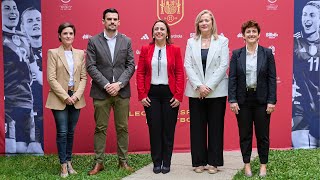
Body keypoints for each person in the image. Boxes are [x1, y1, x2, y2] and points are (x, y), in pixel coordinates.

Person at [86, 8, 135, 175]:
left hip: (122, 92)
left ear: (119, 22)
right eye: (109, 19)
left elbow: (130, 65)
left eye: (115, 19)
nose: (112, 21)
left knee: (123, 128)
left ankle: (123, 161)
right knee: (100, 128)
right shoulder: (93, 41)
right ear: (103, 21)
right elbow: (91, 66)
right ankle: (99, 162)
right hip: (101, 92)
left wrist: (119, 84)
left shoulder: (126, 41)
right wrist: (107, 85)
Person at [228, 20, 277, 177]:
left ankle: (263, 165)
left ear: (259, 35)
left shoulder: (267, 53)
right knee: (245, 134)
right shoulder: (237, 54)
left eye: (254, 31)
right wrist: (233, 100)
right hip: (243, 101)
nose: (251, 34)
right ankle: (247, 164)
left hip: (262, 100)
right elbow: (232, 79)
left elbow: (271, 79)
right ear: (243, 35)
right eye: (248, 32)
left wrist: (271, 101)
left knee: (263, 135)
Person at [136, 19, 184, 174]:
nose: (159, 31)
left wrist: (178, 96)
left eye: (162, 29)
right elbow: (141, 73)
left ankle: (167, 162)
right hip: (152, 95)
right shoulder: (145, 49)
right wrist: (142, 94)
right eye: (156, 29)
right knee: (155, 129)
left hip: (169, 94)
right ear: (152, 32)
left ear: (167, 32)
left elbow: (179, 73)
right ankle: (157, 162)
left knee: (168, 130)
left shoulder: (175, 49)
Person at [184, 10, 229, 174]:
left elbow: (224, 65)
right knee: (197, 128)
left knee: (216, 127)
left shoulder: (222, 41)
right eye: (201, 21)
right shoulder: (191, 42)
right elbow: (188, 65)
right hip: (196, 92)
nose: (204, 23)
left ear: (212, 23)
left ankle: (214, 162)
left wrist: (208, 86)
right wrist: (199, 86)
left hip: (216, 91)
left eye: (207, 20)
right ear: (197, 24)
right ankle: (199, 162)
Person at [45, 22, 87, 178]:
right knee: (62, 132)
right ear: (59, 36)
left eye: (71, 33)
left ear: (74, 36)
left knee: (70, 132)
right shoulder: (53, 53)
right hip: (59, 98)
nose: (68, 36)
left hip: (76, 98)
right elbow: (51, 78)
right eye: (65, 33)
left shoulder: (80, 53)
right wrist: (65, 96)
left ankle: (69, 162)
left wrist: (76, 96)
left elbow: (83, 78)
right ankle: (63, 165)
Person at [2, 0, 40, 154]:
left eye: (14, 8)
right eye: (7, 8)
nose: (12, 11)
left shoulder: (24, 38)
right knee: (10, 148)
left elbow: (34, 70)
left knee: (30, 148)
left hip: (26, 99)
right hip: (7, 102)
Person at [292, 1, 320, 148]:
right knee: (304, 156)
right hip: (301, 107)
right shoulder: (294, 41)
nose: (307, 19)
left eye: (312, 15)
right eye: (304, 14)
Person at [20, 7, 44, 153]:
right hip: (26, 109)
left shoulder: (53, 49)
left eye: (38, 20)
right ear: (22, 27)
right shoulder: (19, 52)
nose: (35, 23)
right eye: (30, 20)